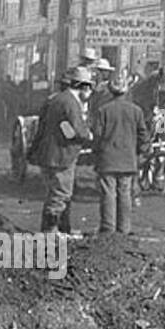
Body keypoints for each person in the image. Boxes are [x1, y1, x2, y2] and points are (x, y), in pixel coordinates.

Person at [31, 66, 93, 237]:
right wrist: (90, 134)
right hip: (61, 155)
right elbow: (79, 130)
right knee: (60, 194)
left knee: (56, 192)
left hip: (49, 152)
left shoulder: (56, 99)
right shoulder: (71, 103)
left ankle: (60, 228)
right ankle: (50, 231)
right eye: (88, 87)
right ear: (83, 86)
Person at [90, 70, 150, 234]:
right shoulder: (136, 111)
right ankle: (124, 228)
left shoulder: (103, 110)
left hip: (107, 160)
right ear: (126, 91)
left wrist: (96, 151)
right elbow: (144, 136)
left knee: (108, 194)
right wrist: (140, 152)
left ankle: (108, 228)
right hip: (128, 161)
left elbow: (97, 135)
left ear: (110, 90)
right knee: (125, 194)